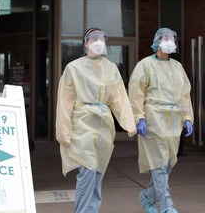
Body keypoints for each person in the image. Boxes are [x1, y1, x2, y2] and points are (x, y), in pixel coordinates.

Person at [55, 27, 137, 213]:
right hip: (82, 124)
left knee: (98, 174)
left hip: (104, 128)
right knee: (88, 171)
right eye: (93, 38)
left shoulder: (111, 68)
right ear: (85, 43)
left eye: (101, 38)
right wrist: (64, 131)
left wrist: (129, 123)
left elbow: (119, 98)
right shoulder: (74, 68)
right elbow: (65, 101)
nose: (98, 42)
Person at [128, 27, 194, 213]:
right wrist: (139, 117)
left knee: (167, 163)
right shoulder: (145, 65)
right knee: (158, 163)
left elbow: (185, 94)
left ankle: (147, 196)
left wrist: (188, 118)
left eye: (172, 39)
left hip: (173, 121)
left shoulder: (177, 67)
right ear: (157, 41)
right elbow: (136, 92)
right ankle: (167, 205)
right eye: (166, 38)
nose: (170, 41)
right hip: (153, 119)